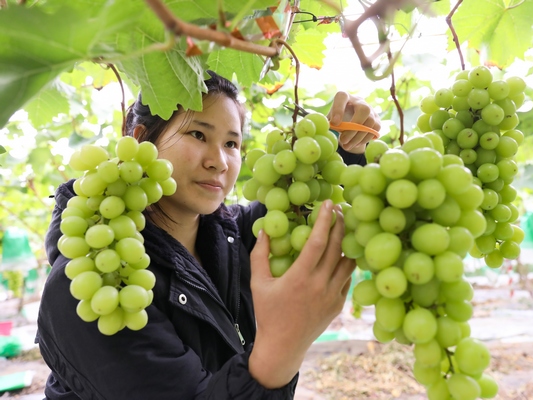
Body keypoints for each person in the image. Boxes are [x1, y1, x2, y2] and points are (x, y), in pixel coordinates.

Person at [36, 70, 381, 399]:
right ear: (140, 140)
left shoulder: (229, 234)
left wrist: (347, 150)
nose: (219, 161)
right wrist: (282, 348)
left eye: (231, 143)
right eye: (198, 134)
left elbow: (294, 210)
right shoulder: (96, 282)